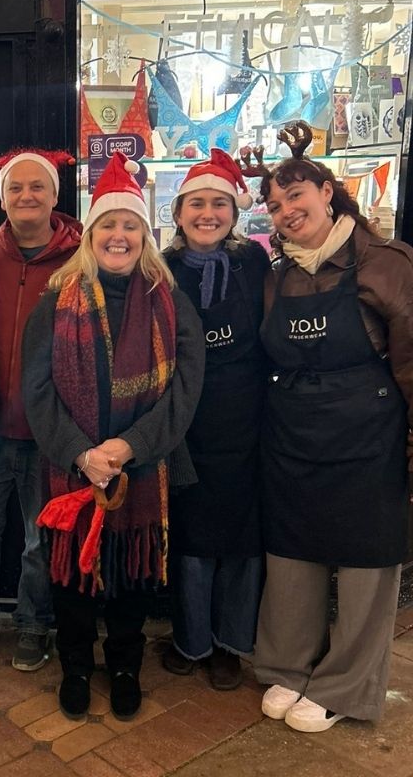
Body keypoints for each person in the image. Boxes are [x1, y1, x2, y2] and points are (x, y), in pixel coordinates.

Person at [22, 152, 204, 721]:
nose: (118, 236)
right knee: (73, 578)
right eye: (108, 225)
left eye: (130, 225)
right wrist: (82, 453)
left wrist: (129, 448)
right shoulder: (56, 300)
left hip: (143, 468)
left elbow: (185, 389)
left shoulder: (170, 302)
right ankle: (76, 666)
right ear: (90, 234)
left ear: (145, 236)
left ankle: (125, 666)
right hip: (72, 468)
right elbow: (37, 389)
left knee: (132, 574)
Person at [253, 121, 413, 733]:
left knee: (368, 563)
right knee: (292, 556)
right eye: (275, 205)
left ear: (327, 192)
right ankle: (288, 665)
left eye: (296, 195)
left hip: (369, 438)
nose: (286, 211)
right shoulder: (277, 275)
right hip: (293, 434)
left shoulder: (387, 263)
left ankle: (345, 683)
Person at [0, 148, 81, 671]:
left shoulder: (81, 257)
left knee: (39, 538)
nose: (26, 196)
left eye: (37, 186)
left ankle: (33, 623)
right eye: (15, 187)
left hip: (50, 430)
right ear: (2, 198)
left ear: (54, 195)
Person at [161, 150, 269, 690]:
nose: (208, 213)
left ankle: (230, 643)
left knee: (243, 542)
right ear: (179, 212)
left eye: (219, 204)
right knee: (192, 540)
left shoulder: (254, 263)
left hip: (247, 420)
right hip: (185, 422)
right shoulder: (160, 269)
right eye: (197, 204)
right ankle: (192, 639)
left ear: (235, 211)